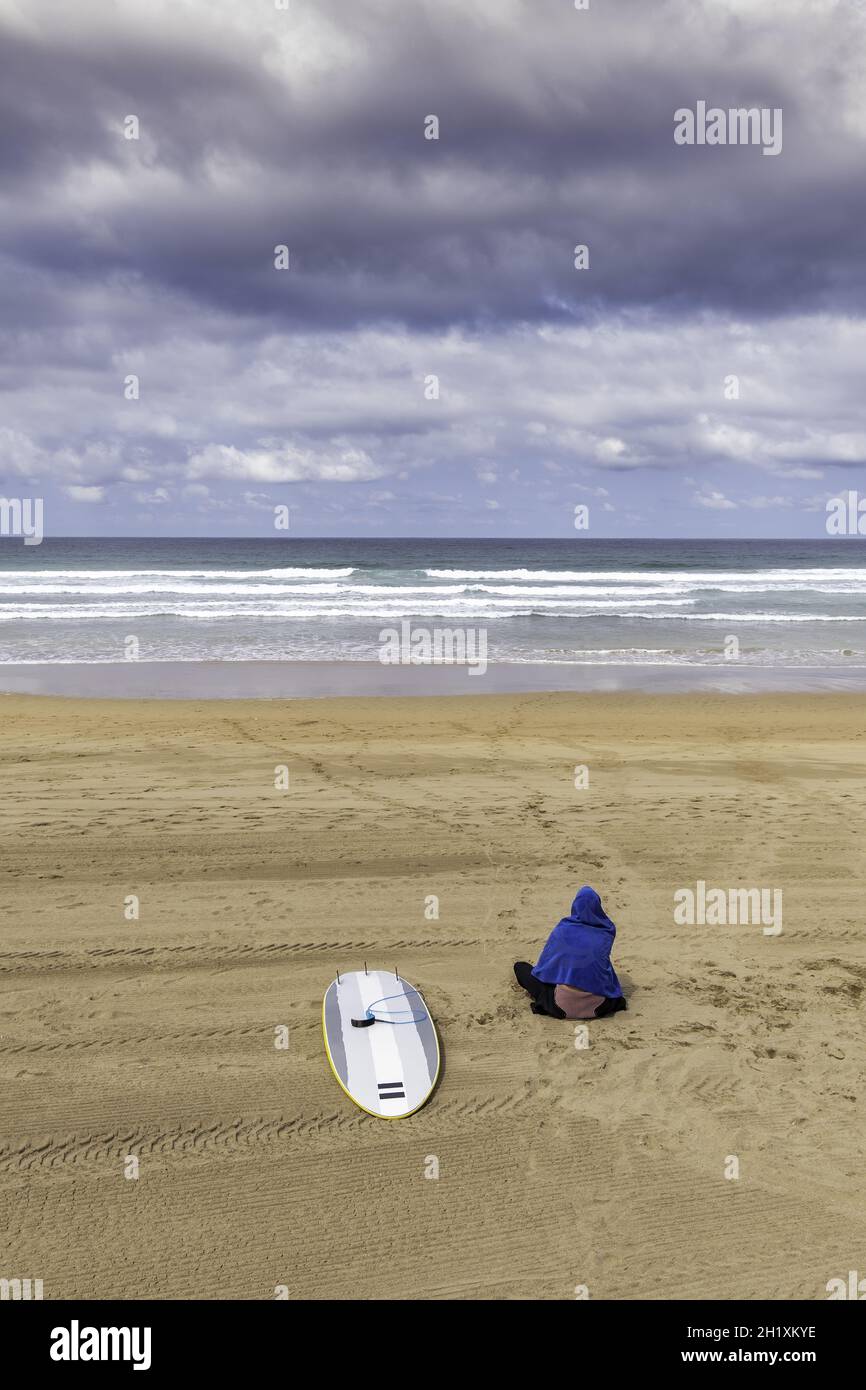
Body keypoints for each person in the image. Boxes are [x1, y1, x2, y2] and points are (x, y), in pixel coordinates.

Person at [513, 886, 627, 1020]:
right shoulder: (606, 932)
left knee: (520, 967)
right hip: (600, 1006)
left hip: (560, 1006)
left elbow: (545, 967)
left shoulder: (563, 929)